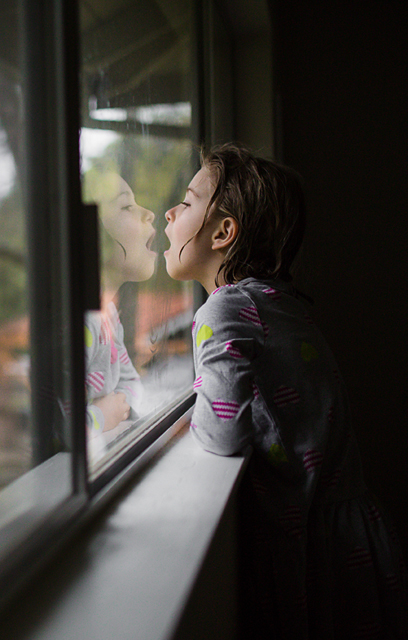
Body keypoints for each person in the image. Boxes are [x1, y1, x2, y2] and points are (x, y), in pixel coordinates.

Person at [164, 143, 408, 638]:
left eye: (187, 202)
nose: (170, 212)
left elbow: (223, 433)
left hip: (310, 552)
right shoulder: (279, 303)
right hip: (354, 536)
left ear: (223, 232)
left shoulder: (222, 311)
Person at [82, 171, 158, 457]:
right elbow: (59, 427)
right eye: (127, 206)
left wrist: (119, 404)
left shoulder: (108, 315)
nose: (149, 214)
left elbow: (130, 382)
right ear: (93, 234)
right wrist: (100, 416)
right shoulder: (83, 324)